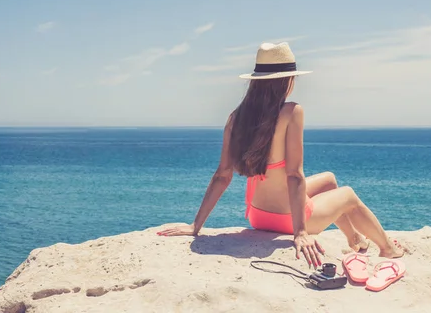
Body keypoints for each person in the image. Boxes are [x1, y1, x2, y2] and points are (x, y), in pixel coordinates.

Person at [157, 42, 404, 268]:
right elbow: (294, 175)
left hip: (257, 216)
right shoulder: (291, 112)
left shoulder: (236, 117)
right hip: (286, 221)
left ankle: (355, 240)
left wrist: (195, 226)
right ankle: (388, 249)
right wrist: (300, 232)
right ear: (286, 81)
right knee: (348, 195)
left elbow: (222, 175)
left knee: (329, 179)